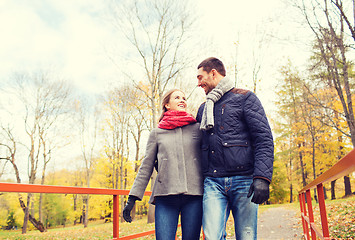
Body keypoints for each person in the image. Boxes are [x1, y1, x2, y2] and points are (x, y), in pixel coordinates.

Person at [195, 57, 274, 240]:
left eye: (200, 77)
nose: (198, 83)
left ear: (213, 73)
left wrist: (262, 177)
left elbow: (263, 138)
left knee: (246, 236)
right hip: (213, 182)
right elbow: (196, 145)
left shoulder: (245, 98)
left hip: (244, 180)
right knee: (212, 236)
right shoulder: (202, 109)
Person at [122, 89, 204, 240]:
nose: (182, 100)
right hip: (165, 196)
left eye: (184, 98)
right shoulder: (157, 132)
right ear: (167, 104)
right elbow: (146, 166)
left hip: (194, 196)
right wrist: (132, 198)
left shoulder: (197, 128)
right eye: (177, 97)